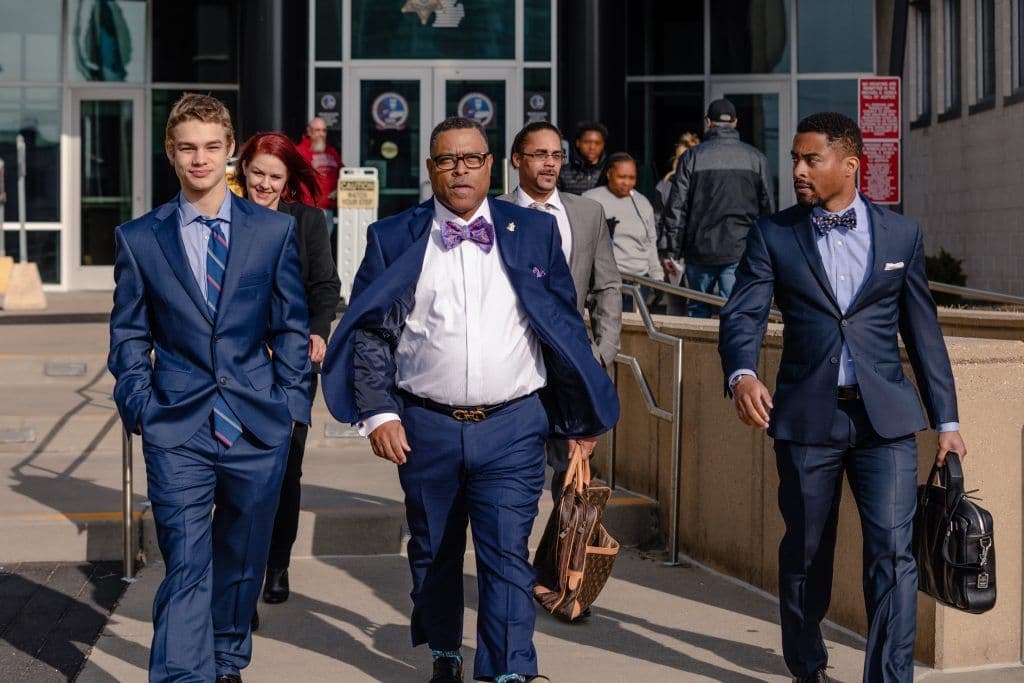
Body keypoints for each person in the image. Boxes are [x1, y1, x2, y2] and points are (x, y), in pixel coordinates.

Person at [321, 116, 619, 683]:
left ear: (491, 165)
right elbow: (370, 333)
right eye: (447, 160)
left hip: (514, 424)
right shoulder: (393, 236)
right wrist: (379, 412)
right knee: (433, 553)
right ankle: (445, 654)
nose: (461, 169)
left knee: (506, 555)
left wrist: (579, 412)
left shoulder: (533, 232)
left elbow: (562, 327)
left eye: (472, 158)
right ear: (431, 168)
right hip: (424, 427)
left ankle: (510, 669)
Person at [719, 112, 967, 683]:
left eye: (812, 159)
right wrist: (742, 374)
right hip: (808, 420)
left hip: (886, 423)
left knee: (895, 556)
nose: (799, 170)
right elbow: (744, 316)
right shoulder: (774, 234)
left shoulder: (901, 235)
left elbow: (922, 333)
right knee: (807, 554)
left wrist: (946, 422)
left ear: (850, 164)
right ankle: (808, 666)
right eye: (796, 160)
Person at [108, 94, 312, 683]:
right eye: (188, 147)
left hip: (256, 423)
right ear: (171, 153)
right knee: (187, 562)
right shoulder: (139, 238)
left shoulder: (272, 231)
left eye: (212, 147)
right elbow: (128, 334)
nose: (200, 159)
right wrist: (139, 403)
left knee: (243, 560)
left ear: (230, 152)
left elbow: (291, 325)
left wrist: (290, 405)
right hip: (177, 424)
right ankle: (180, 675)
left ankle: (226, 660)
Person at [237, 132, 341, 611]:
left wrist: (318, 331)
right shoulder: (225, 217)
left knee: (284, 469)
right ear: (242, 170)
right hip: (237, 362)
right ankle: (242, 577)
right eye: (257, 172)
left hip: (293, 360)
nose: (264, 184)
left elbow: (325, 285)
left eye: (274, 176)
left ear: (288, 181)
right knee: (240, 473)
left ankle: (276, 564)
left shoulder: (306, 221)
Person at [498, 120, 622, 503]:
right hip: (510, 362)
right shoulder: (493, 213)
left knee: (571, 473)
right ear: (517, 159)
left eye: (556, 155)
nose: (550, 164)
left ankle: (561, 563)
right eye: (539, 155)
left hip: (572, 362)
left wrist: (602, 352)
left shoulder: (587, 213)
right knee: (510, 472)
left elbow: (607, 285)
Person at [658, 98, 774, 317]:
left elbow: (677, 206)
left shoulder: (692, 157)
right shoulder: (756, 158)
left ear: (708, 122)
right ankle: (731, 351)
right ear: (736, 122)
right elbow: (767, 207)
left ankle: (698, 352)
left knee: (697, 310)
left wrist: (672, 250)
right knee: (736, 311)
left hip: (700, 250)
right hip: (740, 248)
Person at [583, 153, 662, 311]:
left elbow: (650, 242)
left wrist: (657, 278)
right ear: (609, 174)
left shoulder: (642, 203)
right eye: (621, 177)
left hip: (641, 281)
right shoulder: (590, 199)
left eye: (632, 177)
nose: (627, 183)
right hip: (608, 281)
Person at [654, 132, 701, 315]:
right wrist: (663, 252)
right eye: (680, 158)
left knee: (698, 300)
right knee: (675, 300)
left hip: (697, 251)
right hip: (671, 253)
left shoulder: (703, 184)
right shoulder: (664, 185)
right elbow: (658, 221)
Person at [296, 116, 343, 232]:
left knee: (323, 247)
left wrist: (339, 188)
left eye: (324, 130)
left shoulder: (332, 152)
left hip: (328, 209)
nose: (321, 134)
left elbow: (342, 173)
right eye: (317, 130)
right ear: (309, 131)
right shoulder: (300, 152)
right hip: (308, 210)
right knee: (308, 247)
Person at [557, 121, 608, 195]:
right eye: (587, 142)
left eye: (597, 143)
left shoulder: (609, 173)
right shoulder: (562, 172)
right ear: (578, 143)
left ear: (603, 145)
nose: (592, 147)